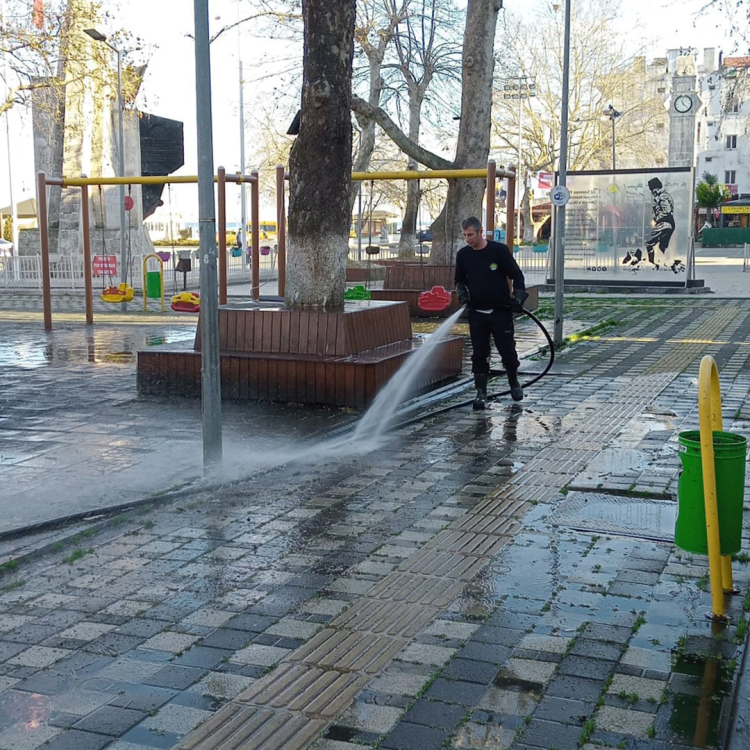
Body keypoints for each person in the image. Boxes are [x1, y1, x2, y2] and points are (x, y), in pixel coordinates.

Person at [455, 216, 528, 410]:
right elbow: (460, 281)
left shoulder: (499, 251)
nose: (467, 239)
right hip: (477, 313)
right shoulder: (463, 255)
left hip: (500, 311)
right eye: (464, 235)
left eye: (470, 235)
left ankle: (514, 382)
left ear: (480, 232)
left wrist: (518, 297)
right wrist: (463, 296)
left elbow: (516, 275)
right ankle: (481, 393)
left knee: (507, 351)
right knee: (479, 354)